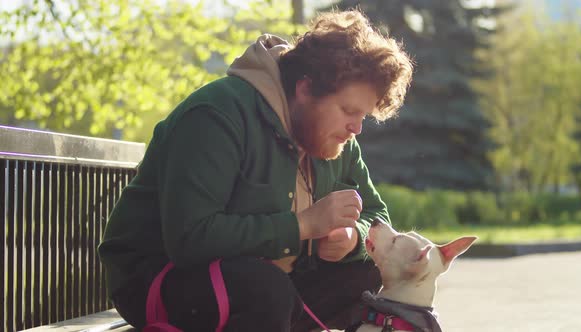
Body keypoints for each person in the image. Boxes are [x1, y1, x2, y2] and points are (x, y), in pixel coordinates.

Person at [98, 8, 413, 332]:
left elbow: (378, 219)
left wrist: (353, 238)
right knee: (266, 291)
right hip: (160, 281)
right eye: (349, 110)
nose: (357, 127)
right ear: (305, 89)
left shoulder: (335, 137)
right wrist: (302, 225)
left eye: (363, 115)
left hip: (268, 283)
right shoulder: (217, 115)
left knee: (366, 273)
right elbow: (190, 239)